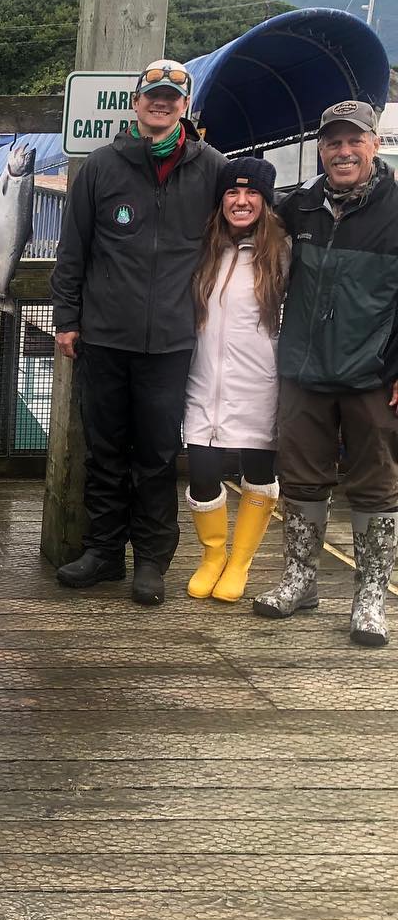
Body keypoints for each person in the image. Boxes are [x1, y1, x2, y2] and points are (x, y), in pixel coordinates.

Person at [51, 58, 226, 605]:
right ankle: (104, 552)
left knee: (156, 455)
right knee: (104, 451)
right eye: (153, 94)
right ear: (136, 103)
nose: (161, 102)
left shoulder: (213, 168)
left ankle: (151, 560)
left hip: (172, 341)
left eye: (172, 96)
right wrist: (67, 319)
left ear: (185, 107)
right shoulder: (100, 167)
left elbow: (251, 220)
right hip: (104, 336)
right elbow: (73, 248)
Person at [255, 100, 398, 646]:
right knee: (300, 477)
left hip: (373, 373)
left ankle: (371, 596)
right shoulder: (298, 207)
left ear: (374, 145)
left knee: (377, 485)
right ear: (321, 149)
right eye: (333, 142)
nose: (343, 152)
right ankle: (300, 580)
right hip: (303, 369)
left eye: (354, 140)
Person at [183, 157, 287, 602]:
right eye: (232, 192)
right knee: (203, 472)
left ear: (265, 201)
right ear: (221, 199)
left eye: (251, 194)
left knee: (258, 473)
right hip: (204, 381)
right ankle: (213, 555)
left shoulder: (282, 251)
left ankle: (240, 562)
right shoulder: (204, 248)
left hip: (259, 383)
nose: (241, 201)